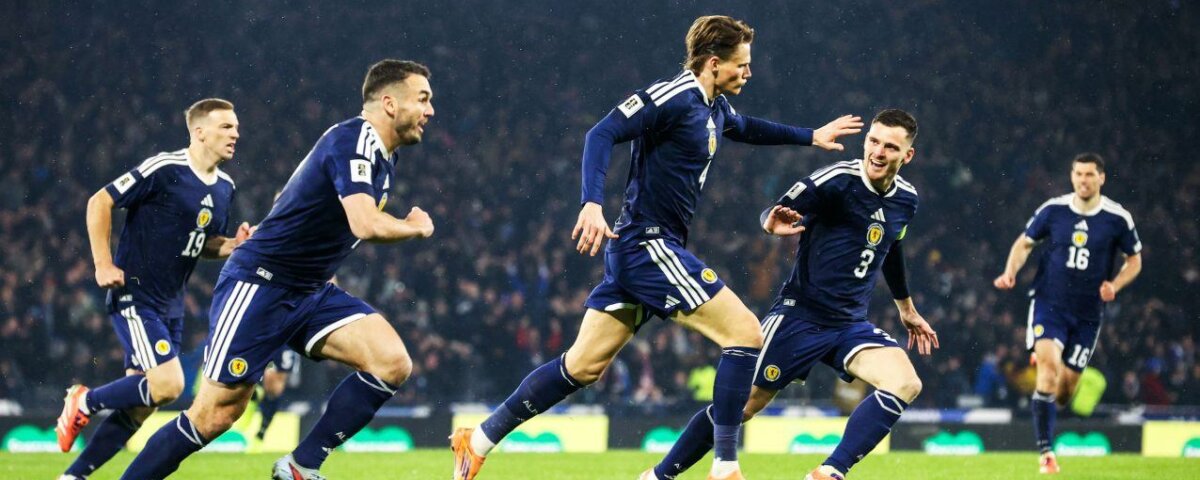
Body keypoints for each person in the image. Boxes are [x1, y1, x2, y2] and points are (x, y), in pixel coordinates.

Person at [451, 15, 862, 480]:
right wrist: (590, 203)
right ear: (712, 63)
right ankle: (725, 465)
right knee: (746, 334)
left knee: (582, 367)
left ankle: (479, 439)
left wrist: (811, 136)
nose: (748, 73)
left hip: (641, 253)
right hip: (647, 244)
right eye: (742, 65)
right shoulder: (674, 97)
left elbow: (747, 128)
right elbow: (599, 133)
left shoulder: (714, 107)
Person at [117, 59, 436, 480]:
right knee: (212, 416)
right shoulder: (354, 139)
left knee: (392, 362)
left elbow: (294, 193)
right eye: (423, 99)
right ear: (390, 103)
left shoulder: (383, 157)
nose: (430, 111)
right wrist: (414, 227)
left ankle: (300, 466)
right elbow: (364, 223)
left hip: (310, 288)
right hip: (260, 286)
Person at [643, 109, 936, 480]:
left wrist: (906, 309)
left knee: (905, 383)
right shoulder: (837, 180)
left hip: (849, 325)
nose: (878, 152)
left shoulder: (906, 199)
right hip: (800, 318)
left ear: (907, 156)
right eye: (873, 141)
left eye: (890, 147)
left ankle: (830, 472)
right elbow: (778, 210)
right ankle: (658, 475)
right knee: (741, 406)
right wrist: (769, 221)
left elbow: (891, 248)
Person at [55, 98, 249, 480]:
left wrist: (232, 246)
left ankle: (73, 476)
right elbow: (100, 201)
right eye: (226, 127)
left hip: (171, 304)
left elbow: (205, 242)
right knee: (169, 384)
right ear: (199, 132)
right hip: (136, 294)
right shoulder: (166, 168)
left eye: (236, 127)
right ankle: (85, 399)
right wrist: (102, 263)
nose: (236, 134)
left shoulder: (225, 187)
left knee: (141, 405)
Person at [993, 152, 1142, 474]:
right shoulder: (1054, 210)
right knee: (1047, 373)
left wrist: (1115, 285)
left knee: (1064, 391)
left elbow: (1135, 260)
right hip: (1050, 304)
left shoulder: (1117, 218)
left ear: (1101, 178)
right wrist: (1010, 272)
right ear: (1071, 176)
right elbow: (1024, 243)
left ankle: (1052, 369)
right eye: (1078, 174)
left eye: (1089, 174)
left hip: (1088, 314)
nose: (1083, 180)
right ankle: (1047, 454)